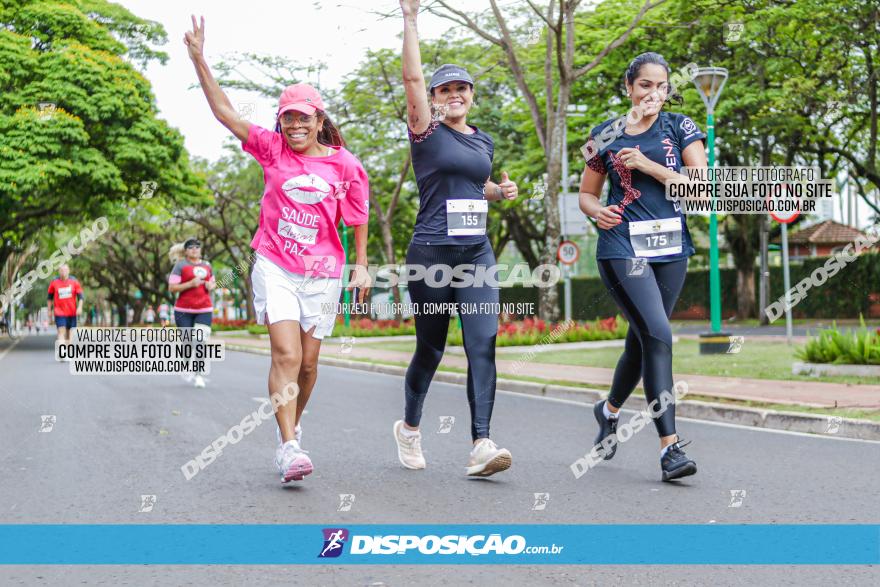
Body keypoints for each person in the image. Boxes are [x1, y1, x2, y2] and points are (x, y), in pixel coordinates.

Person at [185, 16, 370, 484]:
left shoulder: (346, 165)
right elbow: (225, 112)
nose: (294, 125)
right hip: (276, 264)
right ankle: (288, 448)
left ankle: (294, 422)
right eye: (287, 117)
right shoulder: (271, 150)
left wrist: (362, 267)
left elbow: (358, 216)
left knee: (308, 364)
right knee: (285, 355)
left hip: (325, 271)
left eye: (303, 117)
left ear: (319, 120)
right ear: (281, 122)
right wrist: (199, 60)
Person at [393, 0, 519, 478]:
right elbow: (410, 80)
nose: (454, 95)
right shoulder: (425, 132)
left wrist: (498, 191)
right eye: (444, 89)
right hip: (430, 255)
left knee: (482, 343)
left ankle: (481, 445)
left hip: (475, 253)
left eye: (461, 88)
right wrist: (410, 19)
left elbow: (472, 187)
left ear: (471, 95)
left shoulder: (482, 141)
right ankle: (408, 427)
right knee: (431, 348)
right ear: (434, 97)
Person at [578, 52, 708, 482]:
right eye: (645, 85)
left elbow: (702, 188)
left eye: (662, 86)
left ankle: (608, 410)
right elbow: (587, 195)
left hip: (671, 247)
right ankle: (670, 449)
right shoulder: (605, 134)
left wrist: (649, 165)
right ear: (629, 88)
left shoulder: (681, 127)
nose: (654, 93)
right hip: (622, 246)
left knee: (644, 340)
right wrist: (597, 212)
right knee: (659, 333)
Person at [167, 238, 215, 389]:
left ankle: (199, 374)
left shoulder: (207, 265)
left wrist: (210, 285)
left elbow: (213, 283)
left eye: (197, 247)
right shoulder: (180, 266)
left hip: (204, 309)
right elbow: (172, 288)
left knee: (200, 342)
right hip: (183, 310)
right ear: (186, 251)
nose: (194, 249)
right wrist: (190, 284)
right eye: (191, 247)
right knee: (187, 342)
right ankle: (186, 362)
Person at [47, 264, 83, 346]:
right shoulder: (54, 282)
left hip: (72, 312)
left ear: (69, 271)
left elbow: (80, 296)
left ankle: (68, 351)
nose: (64, 272)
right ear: (59, 271)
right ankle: (62, 351)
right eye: (62, 270)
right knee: (61, 330)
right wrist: (49, 310)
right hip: (59, 312)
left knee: (69, 333)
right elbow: (49, 298)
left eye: (65, 270)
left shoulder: (74, 281)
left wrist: (80, 307)